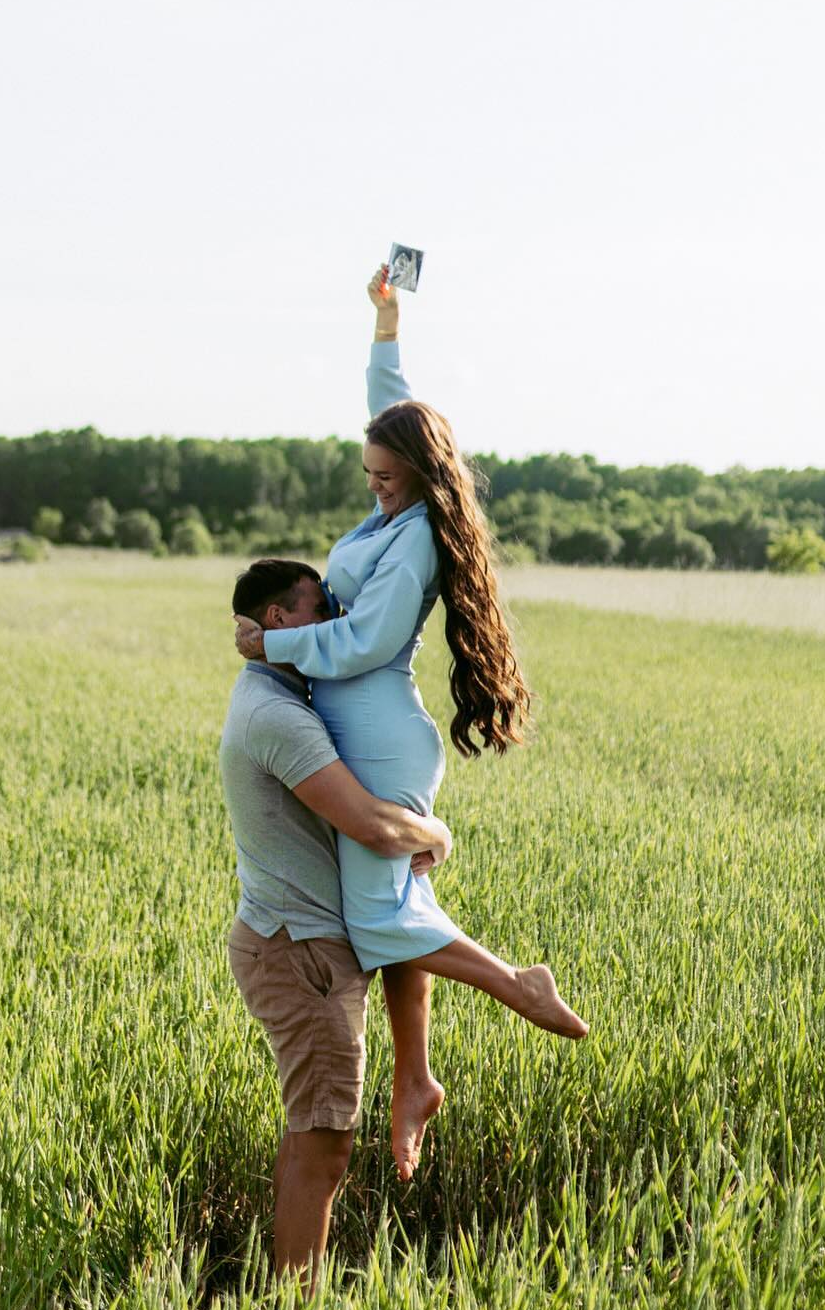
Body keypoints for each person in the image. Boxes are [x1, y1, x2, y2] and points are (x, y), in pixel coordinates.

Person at [234, 266, 586, 1184]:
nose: (377, 491)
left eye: (389, 480)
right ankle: (416, 1078)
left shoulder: (418, 536)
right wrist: (387, 323)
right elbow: (392, 406)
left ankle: (519, 986)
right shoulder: (394, 507)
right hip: (366, 729)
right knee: (393, 912)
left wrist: (272, 651)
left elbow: (361, 644)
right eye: (371, 478)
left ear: (423, 479)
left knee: (379, 918)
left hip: (381, 730)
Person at [220, 556, 454, 1293]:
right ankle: (296, 1304)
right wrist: (434, 833)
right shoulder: (279, 715)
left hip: (297, 945)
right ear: (280, 621)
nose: (339, 623)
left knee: (310, 1137)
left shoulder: (287, 696)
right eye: (321, 608)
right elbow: (373, 828)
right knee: (324, 1148)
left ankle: (286, 1297)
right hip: (302, 955)